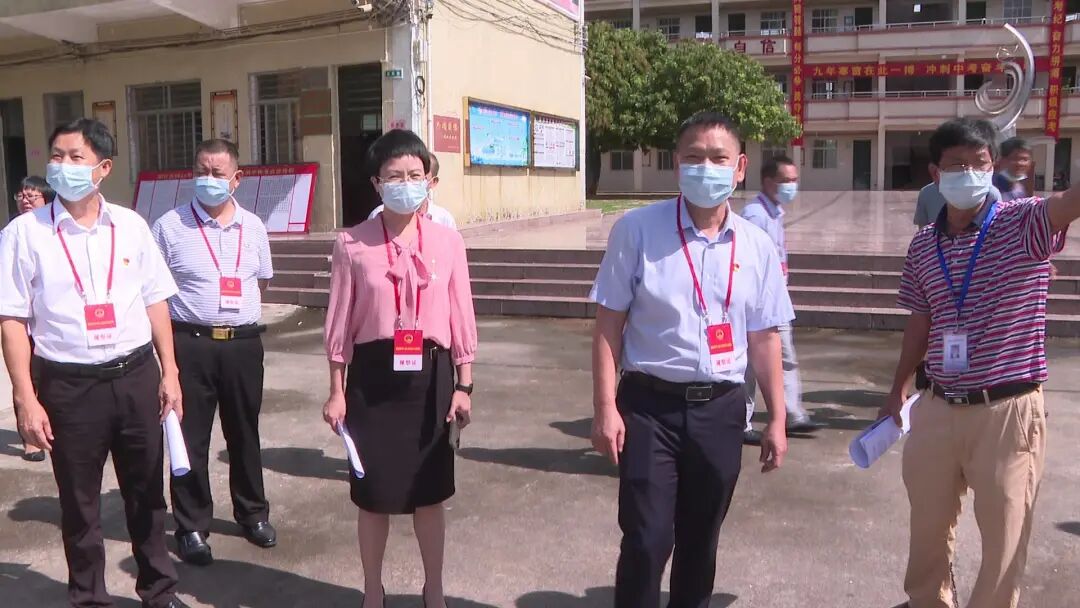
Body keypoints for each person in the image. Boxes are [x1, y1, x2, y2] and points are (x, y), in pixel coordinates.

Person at [590, 112, 791, 608]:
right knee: (647, 538)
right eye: (694, 157)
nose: (707, 167)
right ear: (676, 165)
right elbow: (608, 325)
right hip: (648, 407)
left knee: (701, 542)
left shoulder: (757, 245)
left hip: (720, 410)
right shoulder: (636, 230)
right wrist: (604, 408)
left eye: (718, 158)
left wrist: (778, 418)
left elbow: (765, 337)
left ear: (740, 166)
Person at [883, 116, 1080, 608]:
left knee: (1004, 537)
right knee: (926, 526)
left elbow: (1070, 203)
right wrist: (899, 384)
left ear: (993, 170)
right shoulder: (924, 243)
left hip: (1007, 409)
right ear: (935, 173)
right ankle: (928, 601)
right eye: (956, 165)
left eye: (979, 163)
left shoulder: (1023, 222)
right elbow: (920, 318)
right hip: (937, 403)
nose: (968, 173)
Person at [0, 118, 188, 608]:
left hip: (134, 377)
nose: (62, 167)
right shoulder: (25, 233)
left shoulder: (131, 226)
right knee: (80, 504)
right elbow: (13, 319)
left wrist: (169, 370)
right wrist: (25, 398)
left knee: (146, 493)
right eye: (56, 156)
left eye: (75, 157)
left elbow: (156, 301)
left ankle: (159, 589)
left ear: (103, 168)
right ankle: (88, 597)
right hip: (67, 386)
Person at [323, 129, 477, 608]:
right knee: (373, 496)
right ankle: (373, 589)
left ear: (429, 179)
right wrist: (336, 389)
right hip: (372, 379)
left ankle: (435, 588)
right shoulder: (351, 243)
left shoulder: (448, 241)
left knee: (430, 494)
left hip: (431, 377)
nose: (405, 183)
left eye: (414, 174)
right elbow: (339, 323)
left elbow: (460, 314)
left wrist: (464, 383)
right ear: (376, 183)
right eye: (394, 176)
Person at [151, 139, 276, 566]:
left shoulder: (255, 227)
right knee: (190, 437)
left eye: (218, 173)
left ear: (237, 179)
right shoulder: (168, 227)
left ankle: (252, 513)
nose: (209, 180)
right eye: (202, 171)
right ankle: (191, 526)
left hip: (242, 345)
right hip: (192, 344)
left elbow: (260, 282)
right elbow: (155, 295)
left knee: (245, 432)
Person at [740, 155, 823, 444]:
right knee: (750, 365)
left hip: (776, 300)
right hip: (757, 305)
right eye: (785, 180)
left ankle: (792, 415)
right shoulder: (755, 215)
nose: (791, 186)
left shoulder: (773, 212)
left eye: (794, 180)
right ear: (767, 182)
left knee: (785, 359)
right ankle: (741, 422)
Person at [7, 175, 55, 462]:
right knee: (23, 377)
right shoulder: (12, 232)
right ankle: (29, 439)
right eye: (21, 195)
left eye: (32, 196)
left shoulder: (52, 230)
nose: (25, 200)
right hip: (21, 321)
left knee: (46, 376)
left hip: (49, 322)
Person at [368, 152, 457, 229]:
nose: (407, 183)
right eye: (396, 176)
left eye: (416, 176)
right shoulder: (377, 215)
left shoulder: (444, 219)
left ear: (433, 182)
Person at [993, 137, 1035, 202]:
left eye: (1025, 159)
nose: (1020, 163)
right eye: (1014, 158)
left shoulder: (1019, 188)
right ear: (1002, 160)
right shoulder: (992, 186)